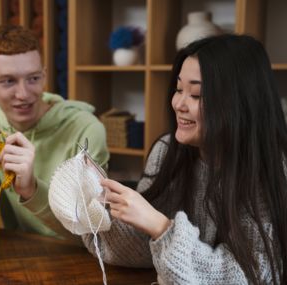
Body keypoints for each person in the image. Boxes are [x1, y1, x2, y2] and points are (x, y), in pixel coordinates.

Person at [82, 34, 286, 284]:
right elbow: (143, 253)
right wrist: (95, 205)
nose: (178, 103)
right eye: (179, 89)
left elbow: (249, 275)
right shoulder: (167, 151)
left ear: (239, 103)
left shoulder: (272, 169)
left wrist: (161, 228)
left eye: (197, 95)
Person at [0, 25, 109, 240]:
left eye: (33, 78)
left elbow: (93, 234)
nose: (23, 94)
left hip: (81, 259)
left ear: (44, 76)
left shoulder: (87, 130)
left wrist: (32, 190)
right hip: (22, 255)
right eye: (8, 81)